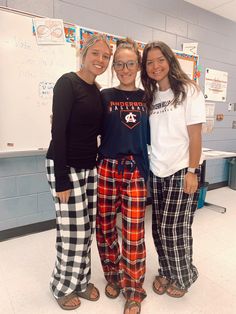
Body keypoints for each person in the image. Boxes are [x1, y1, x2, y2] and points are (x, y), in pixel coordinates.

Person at [46, 34, 111, 310]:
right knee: (73, 232)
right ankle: (62, 286)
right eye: (96, 53)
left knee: (86, 230)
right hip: (64, 166)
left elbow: (95, 133)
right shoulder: (67, 83)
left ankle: (81, 282)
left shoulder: (97, 91)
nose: (101, 60)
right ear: (83, 55)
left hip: (89, 167)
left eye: (106, 56)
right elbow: (57, 131)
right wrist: (61, 178)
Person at [141, 41, 206, 298]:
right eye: (149, 62)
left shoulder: (189, 90)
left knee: (174, 227)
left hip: (181, 169)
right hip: (157, 170)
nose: (155, 66)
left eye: (160, 60)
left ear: (169, 60)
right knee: (158, 227)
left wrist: (193, 170)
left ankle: (184, 275)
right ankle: (167, 271)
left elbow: (196, 135)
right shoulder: (152, 96)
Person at [96, 38, 149, 314]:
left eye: (130, 64)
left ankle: (134, 289)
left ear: (138, 66)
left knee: (133, 232)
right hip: (106, 167)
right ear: (113, 67)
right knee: (105, 227)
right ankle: (113, 276)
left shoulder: (147, 98)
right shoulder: (103, 95)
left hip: (136, 169)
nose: (124, 69)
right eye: (119, 64)